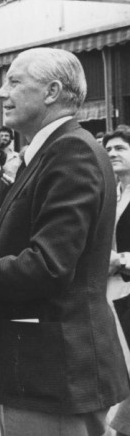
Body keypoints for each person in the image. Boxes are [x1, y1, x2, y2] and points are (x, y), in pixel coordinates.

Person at [0, 48, 129, 436]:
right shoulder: (56, 150)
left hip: (52, 371)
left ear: (53, 91)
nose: (2, 92)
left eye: (15, 82)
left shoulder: (70, 152)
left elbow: (49, 265)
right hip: (45, 369)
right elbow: (37, 247)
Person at [105, 125, 130, 436]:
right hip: (114, 292)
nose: (112, 153)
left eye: (120, 149)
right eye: (108, 149)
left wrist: (122, 259)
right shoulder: (115, 192)